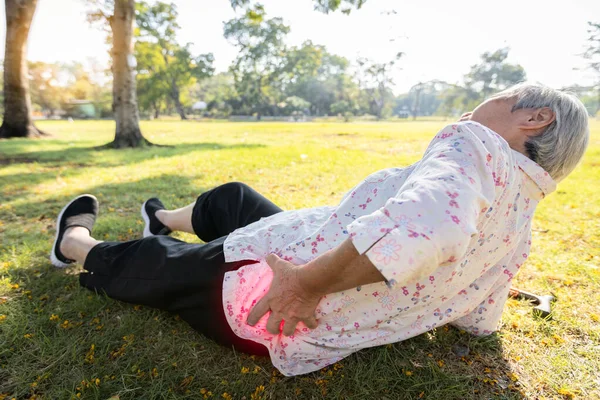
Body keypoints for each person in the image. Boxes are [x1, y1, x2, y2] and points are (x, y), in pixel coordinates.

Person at [50, 84, 589, 376]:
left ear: (534, 118)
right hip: (309, 237)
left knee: (154, 263)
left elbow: (429, 231)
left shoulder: (475, 144)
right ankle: (161, 217)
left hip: (271, 299)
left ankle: (75, 242)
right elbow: (479, 322)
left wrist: (307, 285)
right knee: (236, 198)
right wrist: (464, 282)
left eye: (502, 94)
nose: (482, 102)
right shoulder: (521, 222)